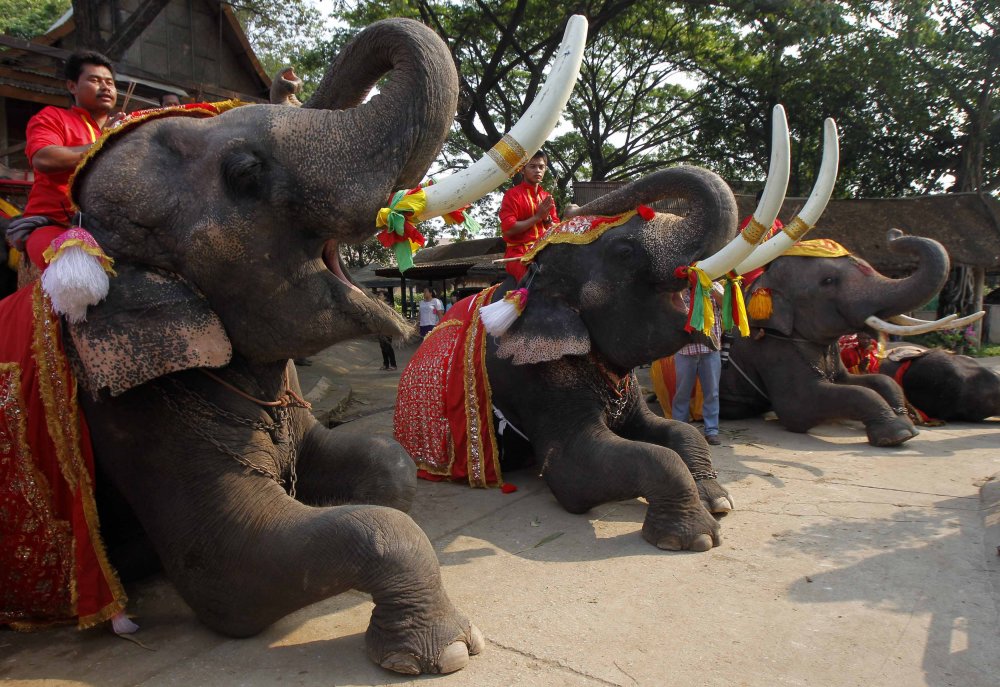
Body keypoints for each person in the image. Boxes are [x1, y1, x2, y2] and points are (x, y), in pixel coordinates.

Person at [7, 51, 118, 270]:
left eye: (110, 82)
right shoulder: (52, 117)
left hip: (113, 227)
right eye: (95, 80)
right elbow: (44, 158)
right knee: (75, 275)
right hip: (55, 223)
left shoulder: (125, 126)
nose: (105, 87)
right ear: (72, 86)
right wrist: (103, 144)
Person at [672, 285, 724, 445]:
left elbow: (725, 304)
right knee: (682, 392)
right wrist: (682, 288)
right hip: (685, 350)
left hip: (710, 349)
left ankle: (711, 431)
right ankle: (681, 431)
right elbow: (673, 307)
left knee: (712, 392)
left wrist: (710, 288)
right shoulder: (678, 287)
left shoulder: (714, 284)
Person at [498, 150, 559, 282]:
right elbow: (509, 229)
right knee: (532, 282)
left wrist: (546, 218)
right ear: (522, 170)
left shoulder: (547, 198)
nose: (538, 170)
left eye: (541, 167)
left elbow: (557, 230)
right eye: (532, 166)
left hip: (544, 250)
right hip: (518, 255)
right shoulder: (512, 195)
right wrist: (537, 217)